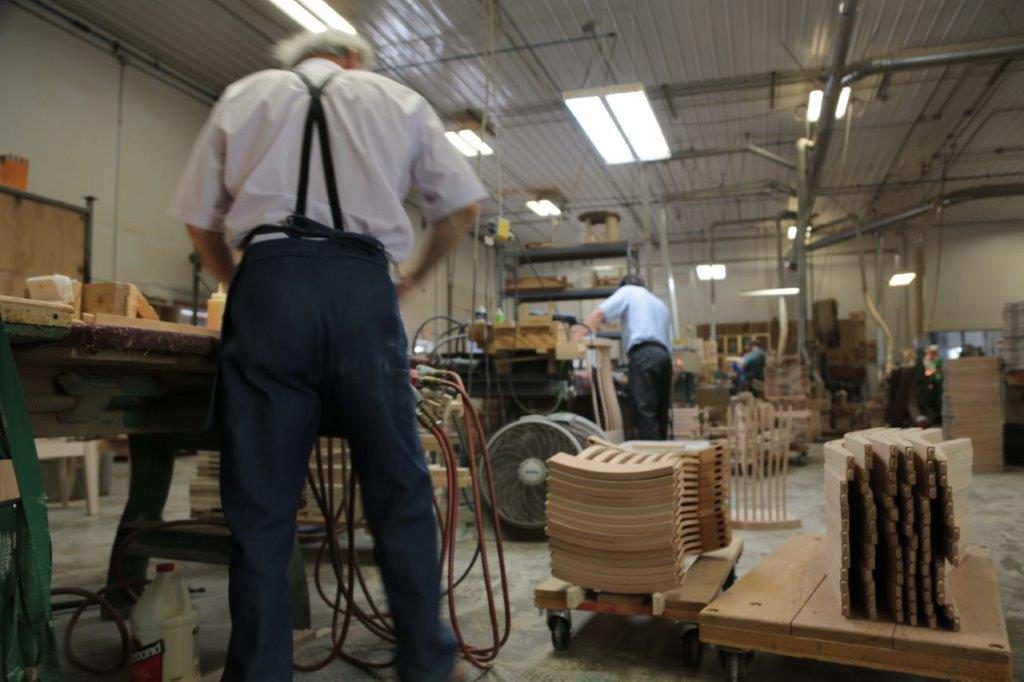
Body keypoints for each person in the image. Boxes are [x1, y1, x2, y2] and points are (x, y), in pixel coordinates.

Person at [169, 29, 487, 681]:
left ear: (298, 58)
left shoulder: (243, 95)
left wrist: (245, 285)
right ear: (352, 59)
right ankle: (425, 663)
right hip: (362, 290)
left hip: (268, 287)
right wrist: (414, 276)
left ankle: (259, 672)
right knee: (397, 489)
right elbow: (461, 208)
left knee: (261, 508)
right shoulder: (395, 99)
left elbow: (200, 220)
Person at [574, 275, 673, 440]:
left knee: (644, 409)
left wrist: (576, 338)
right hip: (664, 357)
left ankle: (652, 459)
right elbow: (669, 339)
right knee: (660, 410)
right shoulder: (659, 304)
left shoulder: (628, 292)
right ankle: (664, 454)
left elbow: (599, 312)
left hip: (644, 353)